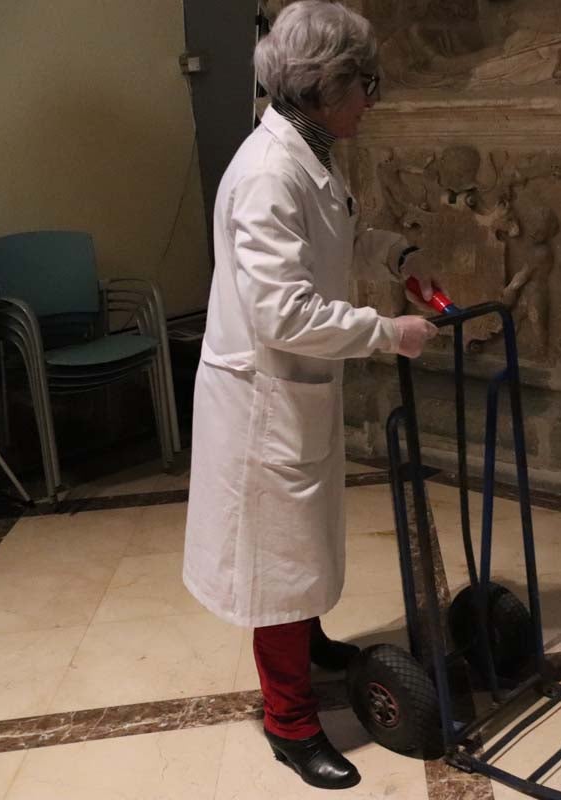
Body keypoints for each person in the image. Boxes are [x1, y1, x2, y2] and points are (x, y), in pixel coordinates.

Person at [182, 1, 438, 790]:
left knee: (303, 541)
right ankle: (291, 724)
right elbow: (281, 311)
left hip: (298, 391)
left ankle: (309, 636)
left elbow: (337, 228)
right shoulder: (267, 172)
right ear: (323, 86)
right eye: (365, 83)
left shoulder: (312, 153)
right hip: (263, 398)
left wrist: (393, 252)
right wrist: (385, 332)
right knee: (275, 558)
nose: (373, 97)